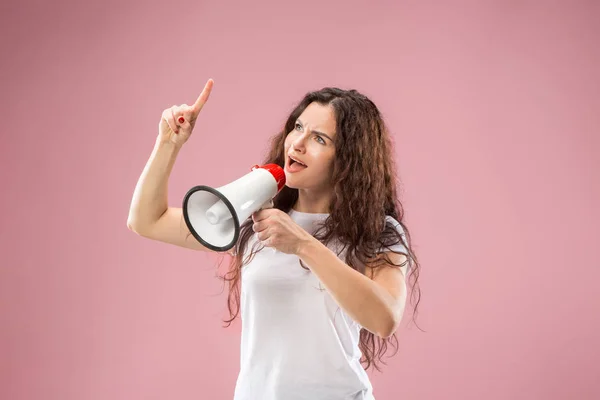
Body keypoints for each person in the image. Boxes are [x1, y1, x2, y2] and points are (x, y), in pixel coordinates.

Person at [127, 79, 421, 400]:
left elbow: (384, 318)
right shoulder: (254, 212)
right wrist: (168, 143)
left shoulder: (377, 232)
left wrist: (303, 245)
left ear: (349, 159)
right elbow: (146, 221)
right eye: (298, 127)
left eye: (319, 138)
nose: (297, 143)